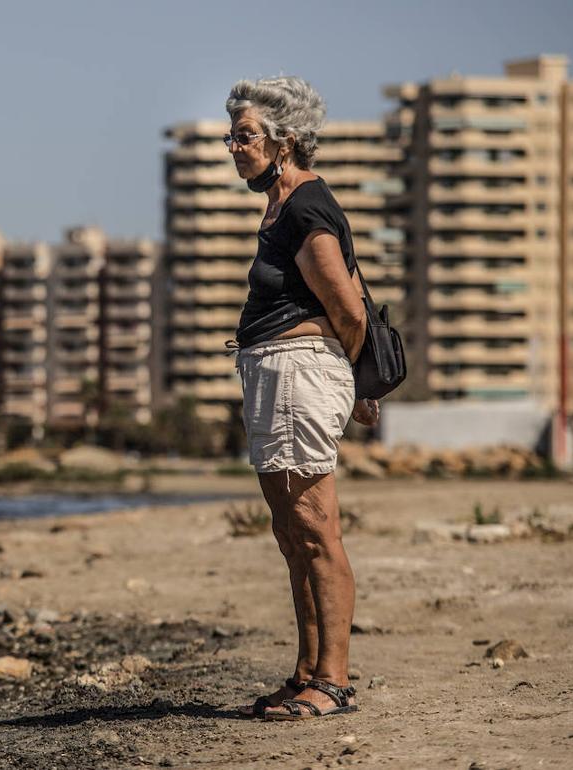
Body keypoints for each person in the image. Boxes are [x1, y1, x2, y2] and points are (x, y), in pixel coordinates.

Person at [222, 76, 379, 720]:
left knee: (316, 531)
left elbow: (347, 305)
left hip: (300, 375)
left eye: (245, 135)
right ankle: (306, 671)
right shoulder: (282, 206)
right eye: (230, 135)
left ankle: (333, 681)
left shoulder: (308, 207)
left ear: (285, 140)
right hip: (278, 374)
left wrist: (361, 382)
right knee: (292, 535)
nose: (234, 147)